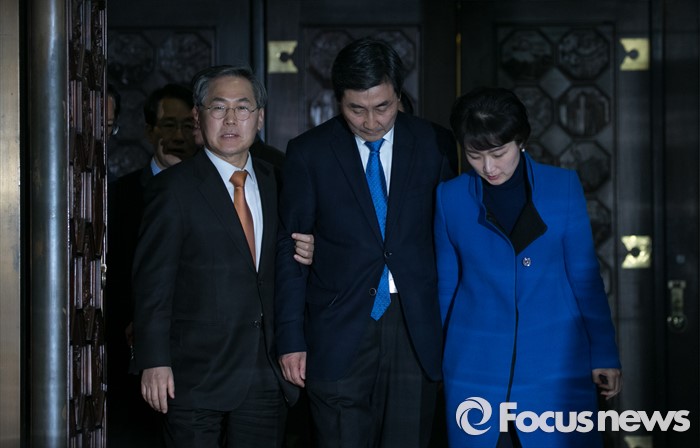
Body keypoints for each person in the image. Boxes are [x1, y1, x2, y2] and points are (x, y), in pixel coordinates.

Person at [274, 37, 455, 447]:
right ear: (338, 99)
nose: (371, 121)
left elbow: (450, 237)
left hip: (415, 327)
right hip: (337, 328)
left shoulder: (435, 144)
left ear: (399, 95)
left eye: (383, 107)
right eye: (356, 109)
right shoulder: (308, 153)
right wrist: (291, 340)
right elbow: (290, 251)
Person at [131, 65, 313, 447]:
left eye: (242, 108)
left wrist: (310, 251)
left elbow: (288, 259)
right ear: (198, 116)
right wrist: (153, 360)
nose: (231, 119)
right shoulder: (172, 189)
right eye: (218, 107)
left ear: (260, 118)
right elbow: (153, 284)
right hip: (192, 375)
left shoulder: (279, 181)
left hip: (264, 370)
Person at [434, 86, 622, 448]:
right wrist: (441, 362)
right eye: (474, 155)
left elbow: (585, 279)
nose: (488, 167)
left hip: (555, 365)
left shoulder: (562, 188)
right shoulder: (449, 198)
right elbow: (447, 287)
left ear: (520, 140)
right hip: (475, 367)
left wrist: (604, 354)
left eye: (498, 153)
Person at [106, 82, 201, 447]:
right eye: (168, 125)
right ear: (149, 132)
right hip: (132, 356)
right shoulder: (119, 195)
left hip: (202, 360)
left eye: (187, 126)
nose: (178, 136)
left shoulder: (220, 192)